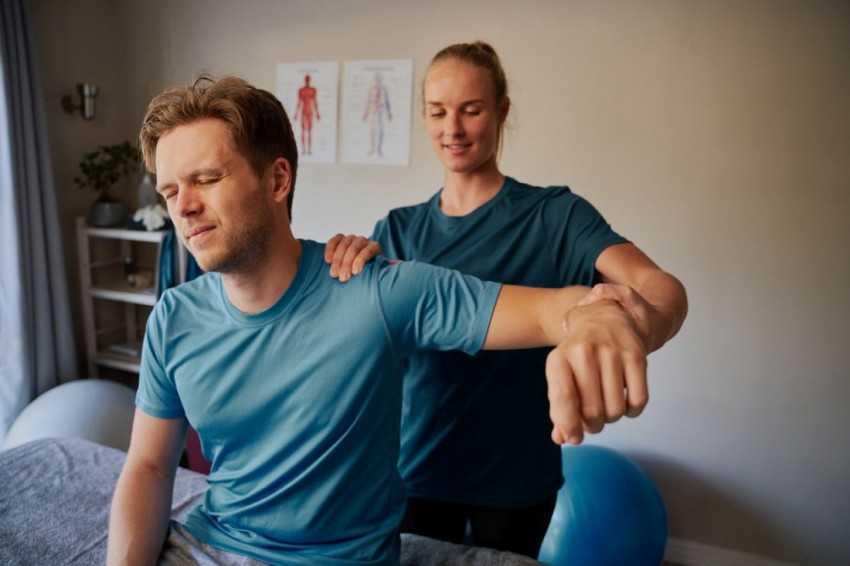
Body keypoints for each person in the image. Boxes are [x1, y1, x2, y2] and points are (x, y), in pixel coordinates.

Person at [105, 75, 648, 565]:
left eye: (206, 178)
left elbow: (554, 308)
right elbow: (150, 468)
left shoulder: (376, 290)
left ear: (277, 180)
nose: (184, 207)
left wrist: (594, 316)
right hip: (206, 544)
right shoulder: (173, 318)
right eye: (171, 191)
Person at [325, 41, 688, 557]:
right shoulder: (397, 230)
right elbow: (365, 351)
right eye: (437, 112)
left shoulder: (555, 216)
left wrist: (627, 324)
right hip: (418, 473)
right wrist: (347, 276)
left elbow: (661, 287)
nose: (452, 129)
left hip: (518, 482)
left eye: (471, 110)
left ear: (501, 111)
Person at [293, 73, 320, 155]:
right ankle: (304, 150)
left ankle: (309, 149)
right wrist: (296, 114)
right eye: (306, 78)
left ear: (309, 80)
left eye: (308, 78)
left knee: (309, 131)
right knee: (303, 130)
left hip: (310, 112)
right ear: (305, 80)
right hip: (303, 112)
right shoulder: (301, 90)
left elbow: (315, 102)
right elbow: (299, 102)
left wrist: (317, 113)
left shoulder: (313, 90)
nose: (307, 80)